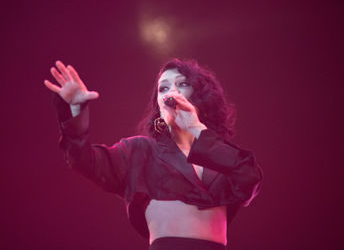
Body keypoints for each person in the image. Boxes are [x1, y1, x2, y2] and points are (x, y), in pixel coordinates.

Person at [44, 59, 263, 250]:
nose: (171, 93)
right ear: (158, 104)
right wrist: (76, 110)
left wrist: (196, 128)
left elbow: (250, 177)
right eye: (163, 88)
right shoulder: (141, 151)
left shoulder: (219, 156)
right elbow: (83, 160)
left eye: (182, 84)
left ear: (200, 96)